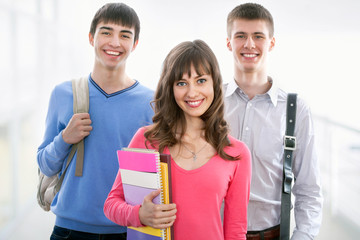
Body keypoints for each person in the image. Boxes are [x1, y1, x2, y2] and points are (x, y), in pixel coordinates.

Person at [104, 39, 251, 240]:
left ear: (215, 84)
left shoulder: (236, 152)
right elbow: (112, 204)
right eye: (182, 83)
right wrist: (138, 214)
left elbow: (235, 232)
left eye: (201, 80)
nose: (192, 92)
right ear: (170, 89)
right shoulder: (147, 140)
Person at [37, 3, 154, 239]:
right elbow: (45, 165)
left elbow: (159, 174)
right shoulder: (63, 94)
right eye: (106, 32)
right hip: (69, 230)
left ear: (135, 44)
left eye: (125, 35)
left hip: (128, 229)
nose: (114, 42)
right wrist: (64, 139)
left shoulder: (151, 102)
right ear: (92, 38)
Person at [224, 3, 323, 240]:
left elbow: (309, 190)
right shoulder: (210, 102)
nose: (249, 44)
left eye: (258, 36)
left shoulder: (296, 109)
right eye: (240, 36)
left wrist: (303, 237)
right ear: (229, 43)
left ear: (272, 43)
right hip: (215, 233)